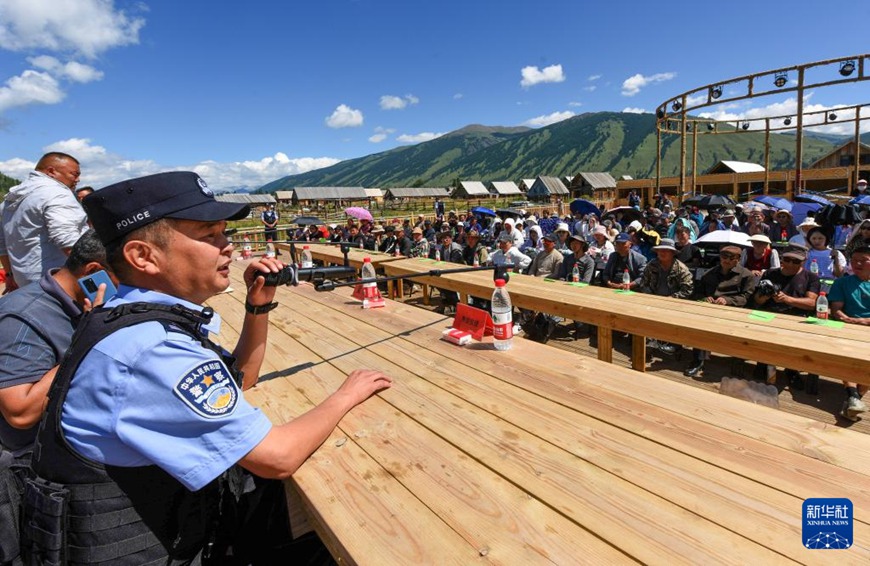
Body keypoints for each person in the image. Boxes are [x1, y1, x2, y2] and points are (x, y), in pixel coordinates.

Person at [23, 172, 392, 564]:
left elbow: (239, 382)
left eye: (224, 234)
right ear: (143, 256)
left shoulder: (125, 313)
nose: (228, 247)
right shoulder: (153, 349)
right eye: (209, 235)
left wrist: (258, 306)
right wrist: (345, 395)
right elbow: (278, 458)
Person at [0, 231, 114, 564]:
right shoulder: (24, 316)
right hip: (25, 477)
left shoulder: (85, 304)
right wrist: (91, 333)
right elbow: (19, 411)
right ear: (93, 271)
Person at [0, 152, 88, 291]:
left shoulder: (9, 200)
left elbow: (3, 244)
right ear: (52, 171)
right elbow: (69, 242)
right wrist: (98, 273)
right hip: (57, 282)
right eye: (74, 174)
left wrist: (10, 275)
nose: (78, 179)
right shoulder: (56, 193)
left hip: (25, 281)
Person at [749, 245, 820, 388]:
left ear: (803, 262)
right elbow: (757, 300)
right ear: (781, 259)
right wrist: (764, 295)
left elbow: (812, 303)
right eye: (787, 260)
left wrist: (787, 299)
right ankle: (762, 362)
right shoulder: (770, 273)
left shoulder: (810, 277)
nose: (790, 264)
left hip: (796, 318)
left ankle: (791, 369)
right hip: (769, 315)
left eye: (796, 261)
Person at [684, 245, 757, 377]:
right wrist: (705, 298)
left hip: (736, 312)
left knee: (740, 330)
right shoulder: (709, 273)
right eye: (724, 257)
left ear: (738, 259)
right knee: (699, 324)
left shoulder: (746, 275)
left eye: (731, 258)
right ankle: (698, 360)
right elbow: (698, 293)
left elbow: (746, 298)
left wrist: (728, 300)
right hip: (711, 311)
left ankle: (738, 360)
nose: (726, 260)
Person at [829, 245, 870, 421]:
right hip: (847, 326)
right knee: (846, 357)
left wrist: (864, 321)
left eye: (863, 260)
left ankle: (853, 398)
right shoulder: (842, 282)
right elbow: (836, 309)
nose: (857, 264)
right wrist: (848, 320)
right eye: (854, 260)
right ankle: (854, 397)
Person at [639, 238, 693, 355]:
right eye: (660, 250)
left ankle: (674, 344)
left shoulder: (681, 269)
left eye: (666, 251)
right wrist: (650, 297)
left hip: (674, 303)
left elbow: (688, 290)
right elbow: (644, 283)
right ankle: (649, 342)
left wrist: (672, 298)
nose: (662, 253)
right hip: (653, 301)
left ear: (673, 253)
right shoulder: (652, 264)